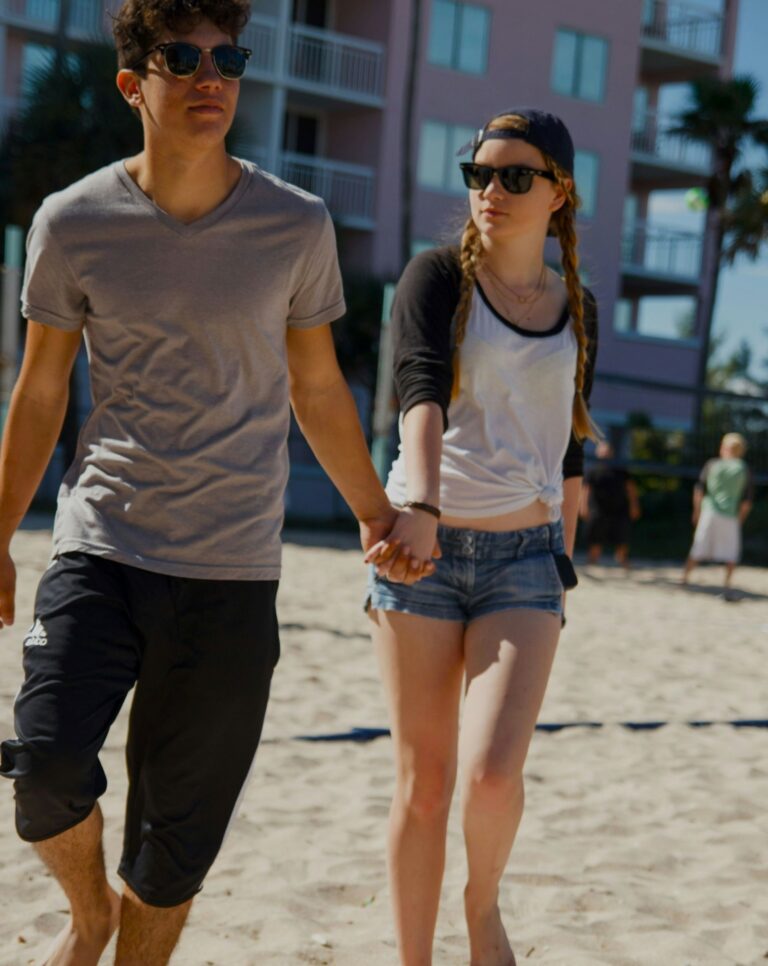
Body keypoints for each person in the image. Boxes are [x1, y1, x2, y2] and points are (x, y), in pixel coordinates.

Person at [0, 0, 410, 961]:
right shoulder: (73, 220)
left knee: (172, 848)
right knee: (45, 768)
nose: (210, 78)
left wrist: (375, 512)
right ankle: (89, 916)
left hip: (232, 570)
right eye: (182, 58)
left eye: (229, 59)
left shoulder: (296, 223)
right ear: (133, 83)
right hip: (102, 544)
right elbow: (41, 389)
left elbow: (317, 386)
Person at [364, 109, 599, 965]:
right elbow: (420, 393)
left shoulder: (579, 308)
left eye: (514, 176)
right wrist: (421, 506)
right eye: (479, 174)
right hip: (419, 555)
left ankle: (482, 905)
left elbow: (567, 443)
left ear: (558, 192)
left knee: (493, 774)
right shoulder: (435, 278)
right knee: (425, 786)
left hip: (526, 560)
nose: (491, 190)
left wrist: (563, 556)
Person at [682, 432, 754, 595]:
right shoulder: (743, 468)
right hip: (730, 514)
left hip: (710, 511)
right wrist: (740, 519)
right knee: (731, 551)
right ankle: (727, 583)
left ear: (723, 447)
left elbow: (699, 490)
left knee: (698, 545)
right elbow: (747, 501)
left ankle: (685, 578)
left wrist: (696, 511)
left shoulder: (712, 464)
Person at [580, 440, 641, 567]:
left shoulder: (620, 470)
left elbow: (631, 489)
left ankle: (622, 559)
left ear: (612, 453)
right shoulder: (593, 471)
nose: (605, 455)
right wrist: (583, 506)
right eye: (602, 452)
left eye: (607, 452)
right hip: (598, 508)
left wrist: (634, 505)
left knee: (622, 535)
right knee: (595, 535)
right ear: (598, 454)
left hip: (619, 508)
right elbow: (585, 490)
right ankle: (593, 559)